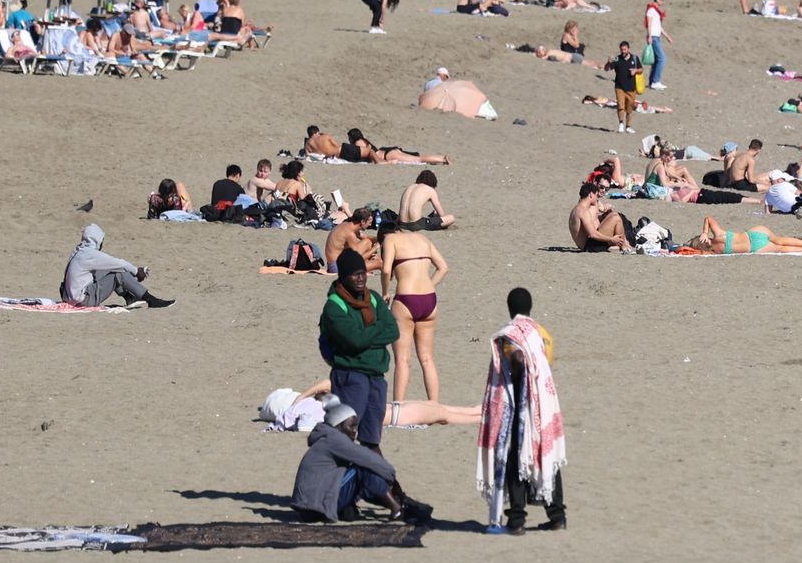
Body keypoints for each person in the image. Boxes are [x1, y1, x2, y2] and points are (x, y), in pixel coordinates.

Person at [477, 287, 567, 533]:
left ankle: (516, 520)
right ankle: (557, 516)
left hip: (520, 404)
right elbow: (545, 362)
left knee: (517, 457)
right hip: (545, 405)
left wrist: (519, 367)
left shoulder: (512, 335)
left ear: (510, 308)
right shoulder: (542, 333)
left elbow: (517, 359)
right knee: (546, 454)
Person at [318, 249, 399, 451]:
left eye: (363, 273)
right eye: (355, 274)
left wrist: (366, 335)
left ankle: (375, 482)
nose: (361, 278)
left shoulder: (373, 299)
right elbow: (354, 341)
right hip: (350, 376)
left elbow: (393, 331)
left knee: (372, 441)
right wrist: (377, 329)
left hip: (376, 377)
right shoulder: (334, 307)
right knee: (344, 438)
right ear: (344, 277)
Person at [289, 401, 403, 522]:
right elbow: (369, 459)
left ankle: (350, 508)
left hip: (307, 508)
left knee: (360, 474)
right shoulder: (335, 439)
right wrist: (391, 476)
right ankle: (396, 509)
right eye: (351, 426)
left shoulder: (326, 438)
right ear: (339, 426)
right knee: (363, 469)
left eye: (356, 426)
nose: (355, 431)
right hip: (314, 508)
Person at [379, 226, 448, 403]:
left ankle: (398, 407)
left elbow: (386, 270)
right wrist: (429, 286)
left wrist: (385, 292)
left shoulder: (389, 240)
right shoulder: (422, 238)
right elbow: (443, 267)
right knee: (427, 358)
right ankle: (434, 405)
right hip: (429, 299)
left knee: (402, 359)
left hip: (406, 298)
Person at [262, 380, 479, 431]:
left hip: (398, 413)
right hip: (397, 410)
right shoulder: (328, 403)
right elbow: (327, 382)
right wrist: (303, 397)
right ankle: (484, 414)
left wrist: (298, 403)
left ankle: (485, 415)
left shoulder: (322, 409)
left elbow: (300, 425)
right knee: (444, 412)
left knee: (444, 414)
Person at [59, 224, 174, 309]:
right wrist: (136, 271)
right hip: (82, 300)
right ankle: (151, 300)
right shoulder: (90, 254)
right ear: (97, 240)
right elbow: (119, 263)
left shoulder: (78, 252)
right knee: (118, 273)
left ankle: (129, 297)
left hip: (69, 298)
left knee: (107, 271)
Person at [685, 216, 802, 255]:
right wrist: (705, 232)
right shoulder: (719, 235)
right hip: (753, 234)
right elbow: (708, 218)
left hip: (754, 247)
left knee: (781, 249)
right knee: (779, 240)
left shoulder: (715, 252)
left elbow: (695, 253)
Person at [569, 181, 633, 251]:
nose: (597, 199)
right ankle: (624, 246)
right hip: (590, 246)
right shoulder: (583, 211)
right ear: (591, 194)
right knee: (616, 217)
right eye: (596, 195)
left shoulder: (577, 209)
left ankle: (620, 245)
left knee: (613, 215)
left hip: (588, 244)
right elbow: (592, 234)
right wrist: (611, 239)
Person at [604, 40, 644, 134]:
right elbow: (606, 69)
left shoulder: (634, 58)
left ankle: (628, 126)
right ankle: (621, 123)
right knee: (621, 106)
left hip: (631, 88)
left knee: (630, 108)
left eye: (625, 49)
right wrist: (608, 62)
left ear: (628, 49)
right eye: (622, 50)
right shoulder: (617, 59)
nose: (623, 51)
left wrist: (635, 70)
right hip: (619, 87)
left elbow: (641, 69)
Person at [644, 0, 673, 91]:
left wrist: (667, 37)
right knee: (662, 59)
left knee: (656, 60)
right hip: (654, 37)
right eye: (662, 0)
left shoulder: (656, 11)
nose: (663, 2)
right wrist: (650, 36)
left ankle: (652, 82)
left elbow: (659, 27)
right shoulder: (651, 10)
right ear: (658, 0)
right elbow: (649, 23)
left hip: (657, 37)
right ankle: (656, 81)